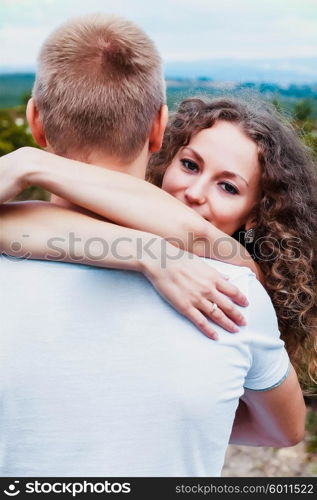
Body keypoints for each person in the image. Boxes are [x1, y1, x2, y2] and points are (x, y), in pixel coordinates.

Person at [0, 14, 305, 477]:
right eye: (190, 164)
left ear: (34, 120)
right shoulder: (232, 294)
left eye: (229, 187)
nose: (196, 194)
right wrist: (146, 251)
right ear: (160, 129)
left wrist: (28, 163)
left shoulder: (229, 278)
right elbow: (283, 430)